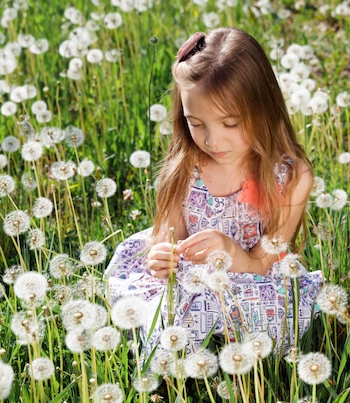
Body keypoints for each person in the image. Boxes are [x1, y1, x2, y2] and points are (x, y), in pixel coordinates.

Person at [106, 28, 322, 355]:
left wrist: (231, 252)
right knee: (170, 316)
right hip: (191, 280)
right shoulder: (186, 166)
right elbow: (170, 235)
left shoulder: (291, 177)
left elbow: (264, 263)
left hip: (253, 280)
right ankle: (177, 365)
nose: (212, 140)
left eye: (230, 124)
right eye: (197, 123)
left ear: (263, 109)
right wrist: (163, 255)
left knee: (273, 317)